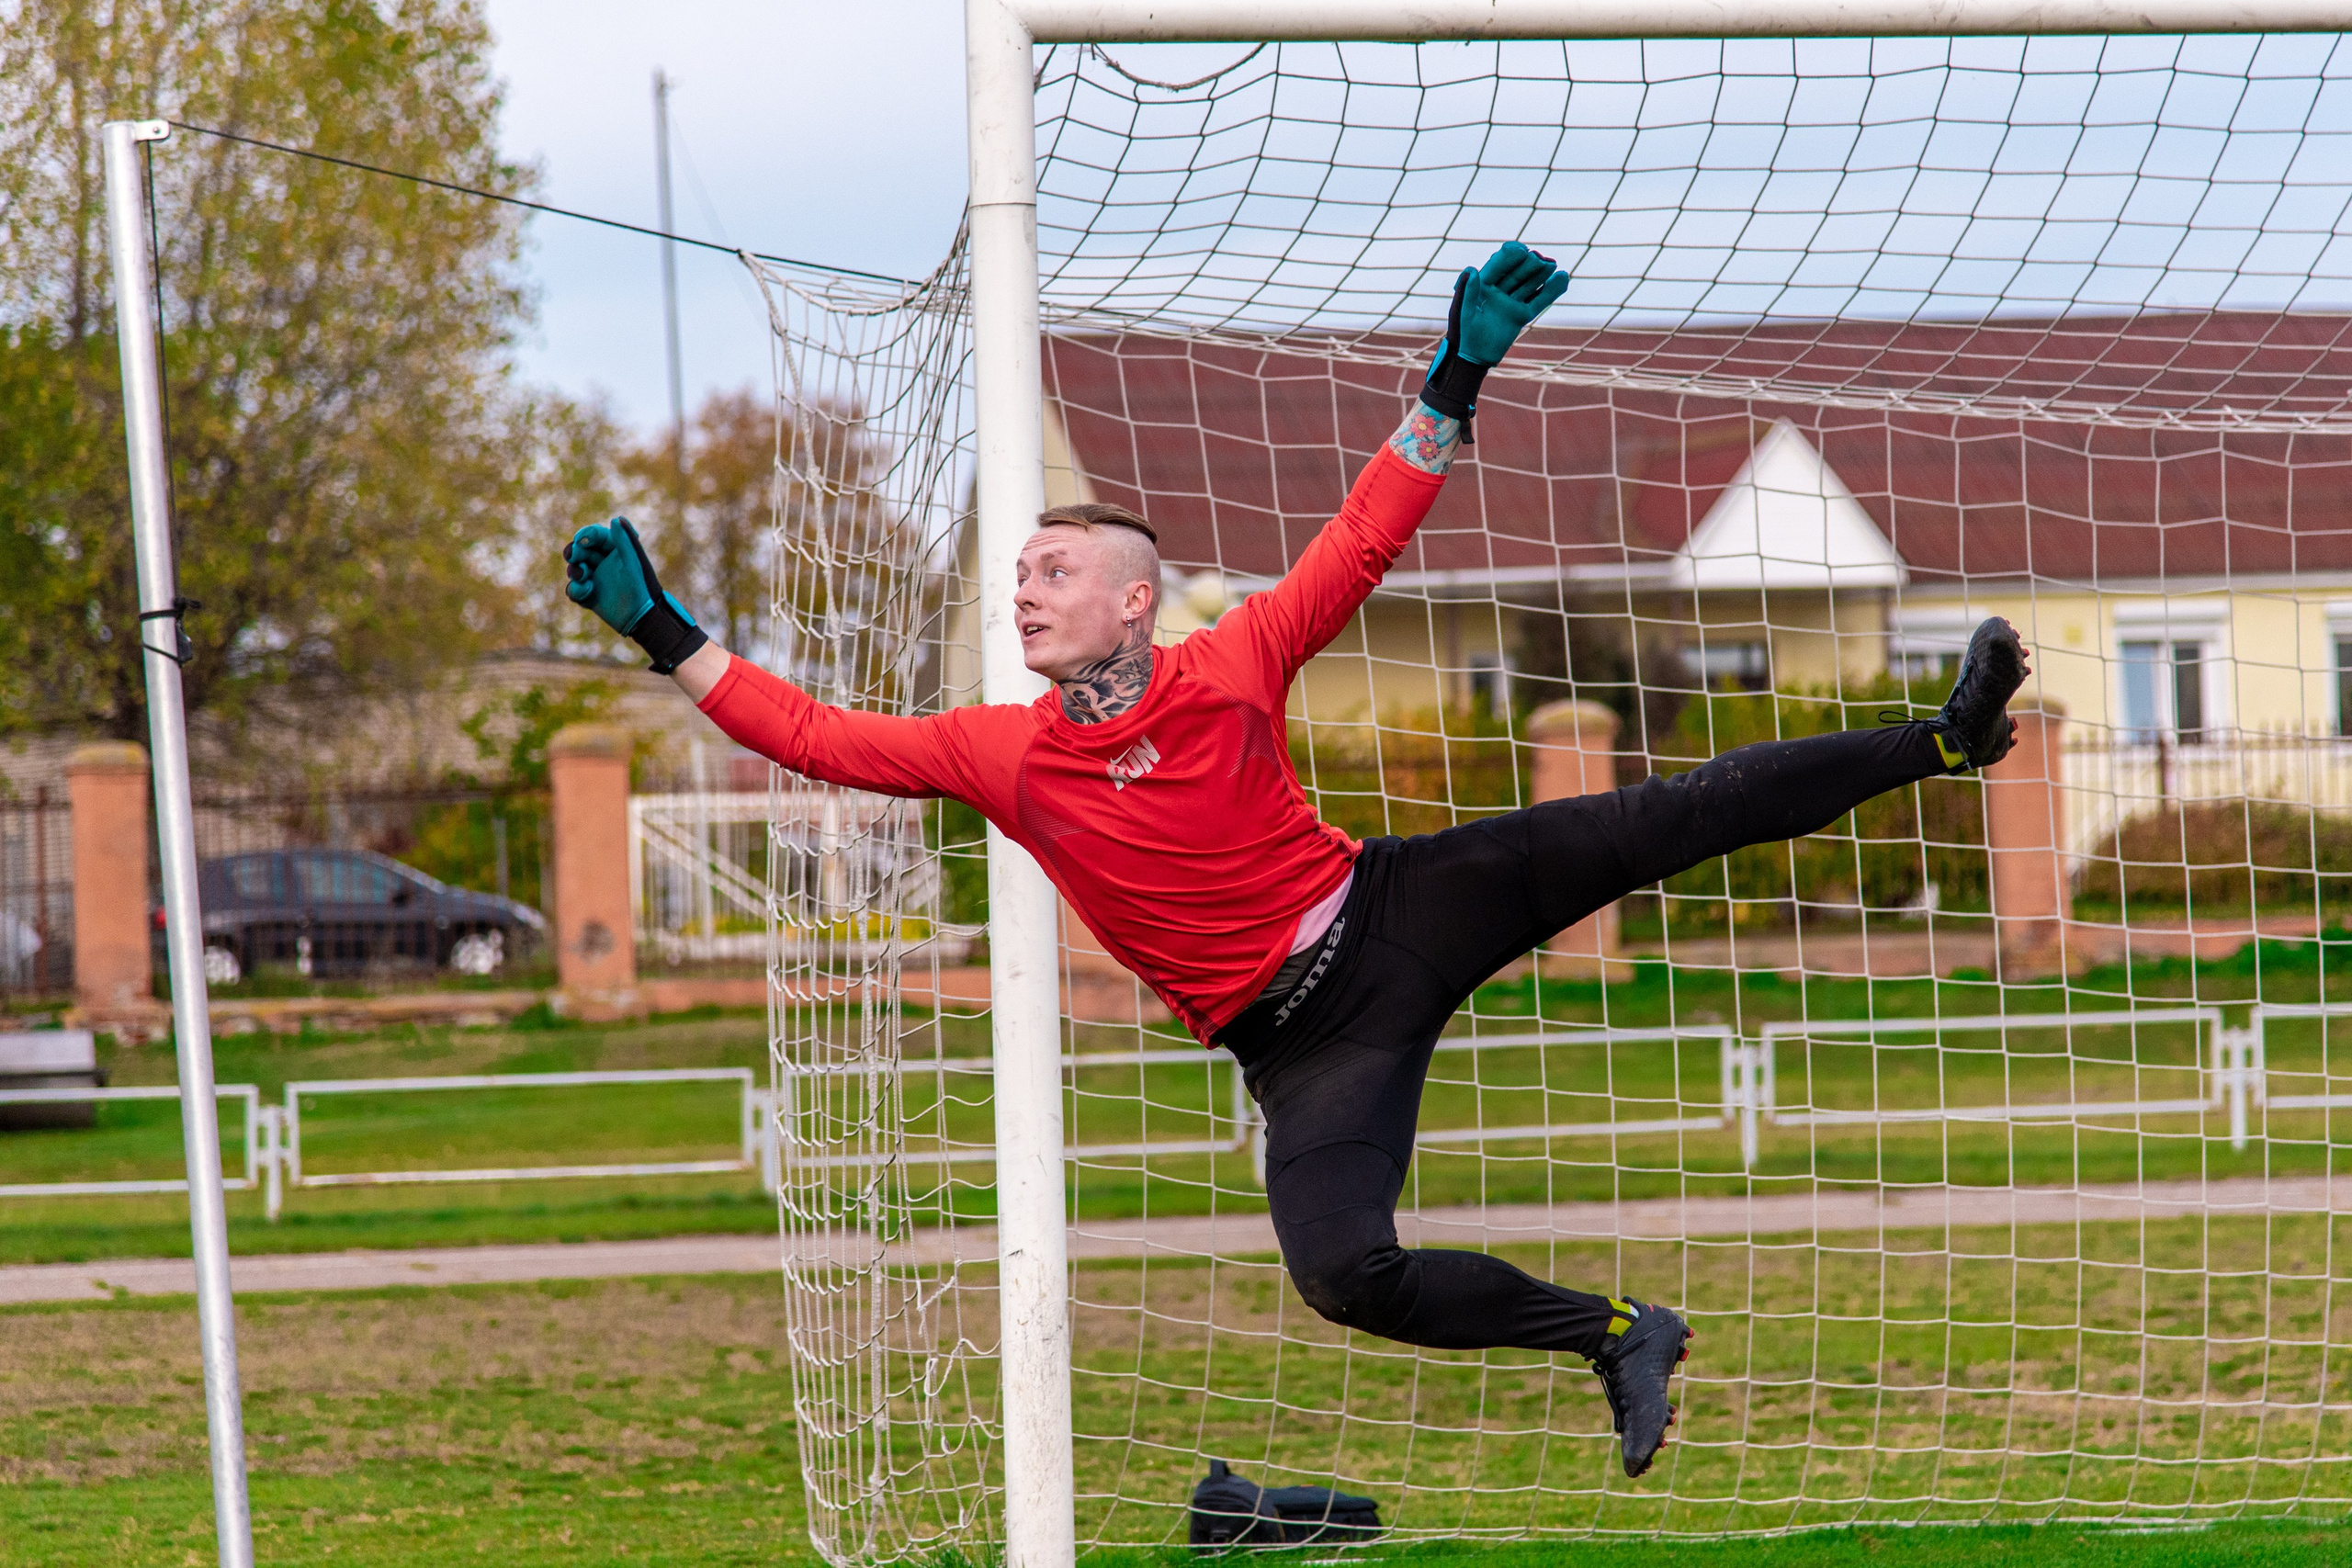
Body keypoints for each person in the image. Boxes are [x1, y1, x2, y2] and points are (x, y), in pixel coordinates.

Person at [561, 243, 2031, 1479]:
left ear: (1136, 604)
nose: (1025, 593)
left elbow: (1362, 539)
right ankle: (1614, 1333)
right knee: (1343, 1276)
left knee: (1666, 814)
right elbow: (814, 736)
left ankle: (1946, 740)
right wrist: (660, 633)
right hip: (1301, 1044)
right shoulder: (998, 754)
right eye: (1018, 579)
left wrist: (1455, 376)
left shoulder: (1232, 657)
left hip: (1398, 907)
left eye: (1054, 573)